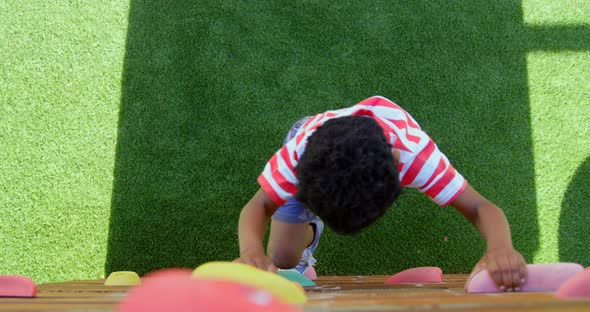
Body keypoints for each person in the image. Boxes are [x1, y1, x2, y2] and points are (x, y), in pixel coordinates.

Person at [234, 95, 527, 291]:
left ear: (400, 176)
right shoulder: (298, 155)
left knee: (284, 252)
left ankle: (308, 227)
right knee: (282, 257)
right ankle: (309, 230)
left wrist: (500, 247)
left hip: (356, 154)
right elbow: (259, 204)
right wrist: (251, 252)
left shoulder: (416, 158)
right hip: (315, 152)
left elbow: (479, 206)